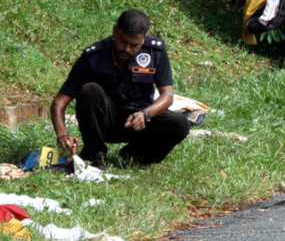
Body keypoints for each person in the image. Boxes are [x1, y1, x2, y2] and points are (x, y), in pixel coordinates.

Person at [50, 10, 190, 166]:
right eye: (123, 41)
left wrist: (145, 114)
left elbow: (167, 96)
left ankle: (135, 155)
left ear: (144, 38)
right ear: (115, 30)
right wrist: (62, 136)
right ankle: (95, 153)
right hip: (106, 121)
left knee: (180, 123)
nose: (127, 49)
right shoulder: (94, 55)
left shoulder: (155, 51)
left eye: (134, 44)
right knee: (90, 90)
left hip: (140, 122)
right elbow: (59, 102)